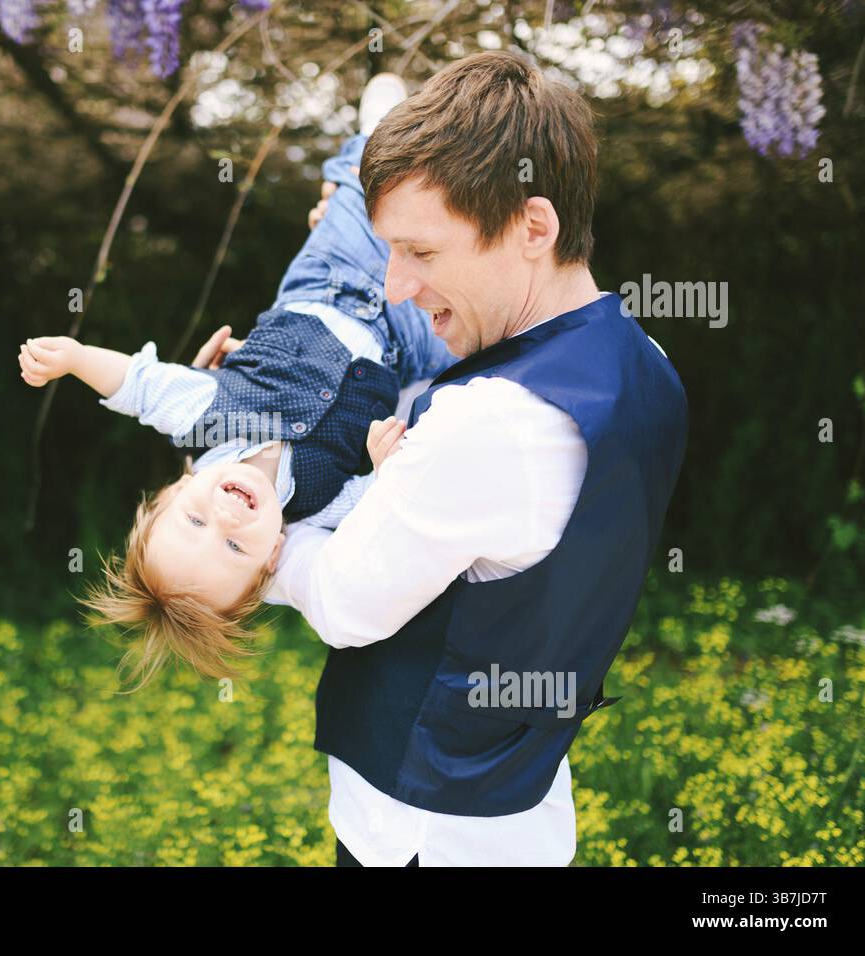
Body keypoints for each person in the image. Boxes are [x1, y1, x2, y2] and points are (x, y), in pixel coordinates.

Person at [267, 51, 689, 866]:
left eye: (420, 252)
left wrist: (254, 529)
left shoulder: (489, 424)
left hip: (419, 828)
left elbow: (348, 602)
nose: (394, 285)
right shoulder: (648, 362)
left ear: (534, 227)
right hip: (522, 809)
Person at [18, 74, 456, 690]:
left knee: (363, 199)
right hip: (402, 342)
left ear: (174, 490)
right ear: (272, 559)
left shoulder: (207, 417)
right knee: (464, 320)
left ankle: (381, 130)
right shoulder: (316, 509)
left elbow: (140, 386)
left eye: (194, 522)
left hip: (331, 284)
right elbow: (377, 504)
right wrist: (386, 470)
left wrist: (75, 356)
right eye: (233, 550)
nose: (225, 520)